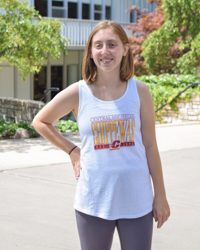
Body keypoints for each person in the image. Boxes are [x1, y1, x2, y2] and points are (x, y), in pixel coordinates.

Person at [33, 20, 170, 250]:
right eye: (98, 45)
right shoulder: (79, 92)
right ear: (90, 51)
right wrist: (72, 150)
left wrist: (161, 195)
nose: (105, 51)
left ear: (125, 49)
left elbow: (150, 146)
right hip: (93, 201)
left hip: (137, 200)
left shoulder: (140, 91)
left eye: (112, 44)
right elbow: (41, 121)